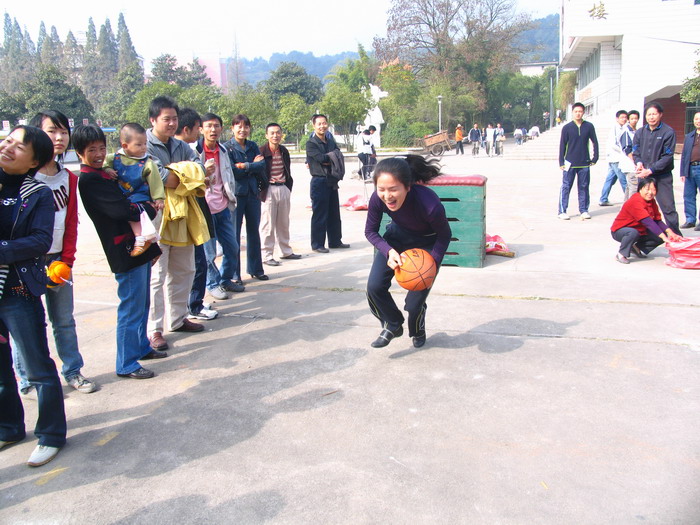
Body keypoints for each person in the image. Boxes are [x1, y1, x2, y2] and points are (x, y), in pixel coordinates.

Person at [11, 110, 96, 400]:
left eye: (63, 132)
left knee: (64, 321)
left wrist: (66, 259)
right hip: (26, 263)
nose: (59, 138)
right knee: (26, 324)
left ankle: (73, 371)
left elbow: (70, 222)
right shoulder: (22, 177)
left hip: (58, 260)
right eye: (51, 131)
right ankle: (27, 380)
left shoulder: (68, 178)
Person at [75, 124, 165, 380]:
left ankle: (141, 347)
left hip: (138, 244)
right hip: (124, 249)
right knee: (131, 306)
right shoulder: (90, 180)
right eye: (91, 150)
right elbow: (123, 211)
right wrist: (149, 208)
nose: (98, 154)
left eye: (101, 148)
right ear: (79, 152)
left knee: (142, 302)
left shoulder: (106, 173)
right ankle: (126, 363)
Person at [0, 125, 67, 467]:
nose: (8, 148)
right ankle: (9, 427)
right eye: (8, 141)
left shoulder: (37, 194)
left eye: (19, 146)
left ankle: (51, 435)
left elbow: (41, 241)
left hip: (18, 291)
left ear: (34, 161)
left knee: (37, 366)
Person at [365, 156, 451, 349]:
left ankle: (418, 329)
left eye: (393, 189)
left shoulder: (429, 204)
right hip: (397, 239)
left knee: (414, 304)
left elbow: (445, 235)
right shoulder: (377, 199)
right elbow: (370, 232)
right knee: (374, 287)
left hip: (427, 244)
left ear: (408, 187)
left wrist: (431, 263)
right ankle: (393, 324)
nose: (387, 196)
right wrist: (388, 251)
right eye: (381, 189)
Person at [146, 97, 210, 351]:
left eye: (174, 118)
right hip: (157, 216)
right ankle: (154, 329)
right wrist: (186, 174)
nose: (172, 123)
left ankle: (178, 318)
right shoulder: (145, 145)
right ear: (153, 120)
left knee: (184, 269)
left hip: (183, 214)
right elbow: (160, 178)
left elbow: (200, 170)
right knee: (157, 276)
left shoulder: (180, 145)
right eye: (166, 119)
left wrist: (178, 172)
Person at [195, 113, 245, 299]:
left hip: (222, 207)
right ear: (201, 129)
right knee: (209, 253)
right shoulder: (194, 152)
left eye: (216, 126)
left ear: (221, 129)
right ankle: (212, 284)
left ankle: (225, 279)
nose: (213, 130)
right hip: (204, 210)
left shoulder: (223, 150)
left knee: (232, 247)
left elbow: (228, 176)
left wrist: (229, 196)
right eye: (208, 126)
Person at [104, 123, 164, 257]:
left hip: (139, 196)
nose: (144, 148)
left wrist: (159, 198)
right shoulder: (114, 158)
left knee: (134, 212)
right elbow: (104, 165)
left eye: (145, 143)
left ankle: (140, 239)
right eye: (139, 144)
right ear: (125, 145)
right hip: (120, 195)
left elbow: (155, 181)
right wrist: (107, 169)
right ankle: (147, 240)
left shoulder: (147, 163)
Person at [223, 114, 268, 281]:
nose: (243, 130)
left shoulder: (252, 145)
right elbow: (232, 171)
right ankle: (235, 274)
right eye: (239, 126)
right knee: (234, 234)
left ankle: (256, 269)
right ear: (232, 128)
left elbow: (262, 165)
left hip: (253, 193)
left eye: (246, 126)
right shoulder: (227, 148)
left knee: (254, 232)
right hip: (236, 195)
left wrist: (244, 165)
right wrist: (252, 166)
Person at [632, 102, 680, 234]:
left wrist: (651, 170)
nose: (651, 117)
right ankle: (642, 236)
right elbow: (636, 151)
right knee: (642, 207)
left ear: (660, 115)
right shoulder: (640, 132)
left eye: (654, 114)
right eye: (649, 114)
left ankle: (675, 236)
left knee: (668, 208)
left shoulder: (668, 132)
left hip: (662, 176)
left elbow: (668, 156)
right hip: (645, 176)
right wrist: (639, 162)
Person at [611, 177, 681, 264]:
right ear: (640, 189)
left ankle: (636, 248)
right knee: (633, 233)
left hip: (640, 230)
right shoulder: (635, 201)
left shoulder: (652, 201)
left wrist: (671, 233)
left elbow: (657, 221)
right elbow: (648, 222)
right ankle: (621, 254)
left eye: (653, 190)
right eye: (647, 189)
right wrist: (664, 238)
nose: (650, 193)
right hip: (621, 231)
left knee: (661, 233)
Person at [306, 114, 349, 253]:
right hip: (319, 181)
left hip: (331, 179)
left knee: (334, 212)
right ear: (314, 126)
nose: (322, 126)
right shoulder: (311, 143)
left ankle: (335, 241)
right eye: (319, 124)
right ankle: (317, 244)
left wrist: (330, 157)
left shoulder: (330, 141)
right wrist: (332, 157)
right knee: (320, 214)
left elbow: (338, 154)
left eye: (324, 123)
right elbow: (321, 158)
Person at [259, 122, 300, 266]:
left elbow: (287, 169)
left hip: (283, 187)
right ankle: (266, 255)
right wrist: (261, 190)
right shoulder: (262, 151)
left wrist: (288, 188)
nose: (275, 135)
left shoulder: (283, 151)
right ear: (267, 135)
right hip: (268, 190)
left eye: (278, 133)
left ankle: (285, 251)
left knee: (283, 223)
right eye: (272, 133)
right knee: (268, 224)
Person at [558, 102, 599, 220]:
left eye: (580, 111)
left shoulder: (589, 126)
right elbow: (562, 145)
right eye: (576, 111)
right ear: (572, 112)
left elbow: (595, 142)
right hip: (569, 163)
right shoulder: (567, 127)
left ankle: (584, 210)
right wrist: (561, 162)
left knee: (584, 187)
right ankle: (562, 211)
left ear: (583, 112)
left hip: (584, 162)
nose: (578, 114)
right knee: (566, 187)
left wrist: (595, 157)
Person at [599, 110, 629, 206]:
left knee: (610, 179)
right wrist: (624, 151)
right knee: (624, 180)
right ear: (617, 118)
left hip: (615, 158)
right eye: (622, 117)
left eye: (625, 117)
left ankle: (603, 199)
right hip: (615, 158)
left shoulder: (623, 128)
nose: (624, 119)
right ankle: (629, 200)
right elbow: (613, 144)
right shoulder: (615, 129)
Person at [679, 111, 700, 231]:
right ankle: (690, 220)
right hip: (690, 169)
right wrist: (683, 172)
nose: (698, 121)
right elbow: (684, 155)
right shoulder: (689, 136)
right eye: (696, 119)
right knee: (688, 195)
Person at [621, 110, 640, 200]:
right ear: (628, 119)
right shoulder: (626, 131)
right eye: (632, 119)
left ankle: (626, 206)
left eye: (636, 118)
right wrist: (635, 161)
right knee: (634, 188)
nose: (634, 120)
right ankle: (632, 206)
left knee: (629, 188)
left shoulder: (636, 131)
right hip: (630, 165)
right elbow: (626, 149)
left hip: (635, 164)